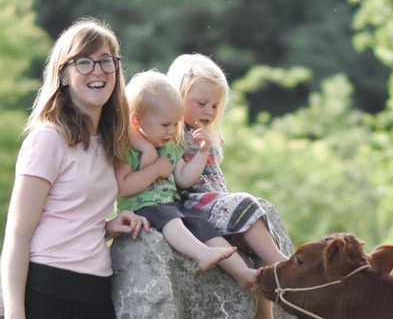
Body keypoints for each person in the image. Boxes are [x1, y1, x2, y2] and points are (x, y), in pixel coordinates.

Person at [0, 17, 151, 319]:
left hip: (96, 295)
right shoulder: (48, 139)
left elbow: (67, 216)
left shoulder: (110, 142)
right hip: (47, 290)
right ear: (65, 75)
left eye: (106, 61)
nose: (97, 71)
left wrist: (107, 227)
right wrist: (14, 310)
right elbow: (16, 235)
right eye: (84, 62)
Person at [166, 53, 288, 319]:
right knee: (244, 204)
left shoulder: (204, 135)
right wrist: (201, 151)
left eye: (214, 105)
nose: (208, 111)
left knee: (258, 223)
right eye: (201, 103)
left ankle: (264, 307)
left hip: (213, 201)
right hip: (192, 202)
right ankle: (283, 264)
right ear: (178, 95)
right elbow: (183, 180)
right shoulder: (172, 134)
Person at [114, 70, 248, 276]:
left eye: (176, 124)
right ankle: (202, 254)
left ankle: (242, 272)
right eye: (165, 125)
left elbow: (184, 179)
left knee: (201, 223)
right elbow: (123, 187)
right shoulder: (126, 149)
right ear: (136, 121)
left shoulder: (170, 147)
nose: (171, 131)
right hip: (141, 208)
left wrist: (202, 152)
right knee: (170, 217)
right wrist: (155, 169)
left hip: (172, 206)